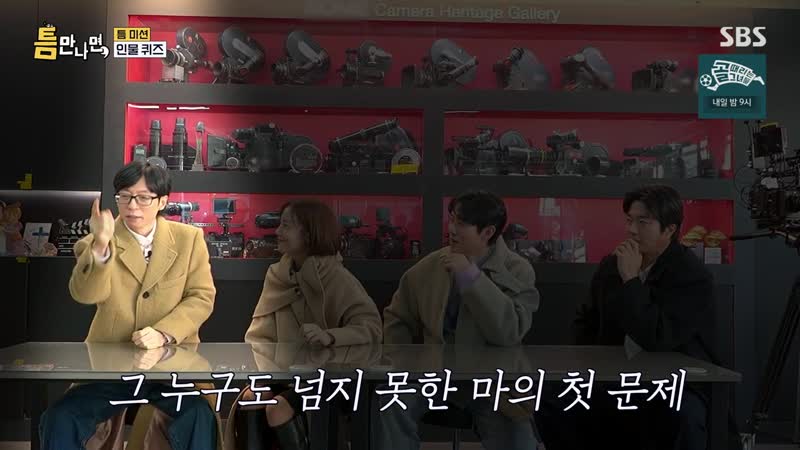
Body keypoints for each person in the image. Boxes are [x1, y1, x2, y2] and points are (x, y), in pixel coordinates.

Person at [39, 160, 219, 450]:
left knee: (198, 414)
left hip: (172, 366)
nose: (132, 205)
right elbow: (85, 294)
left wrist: (163, 333)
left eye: (143, 197)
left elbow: (201, 297)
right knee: (61, 417)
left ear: (162, 201)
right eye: (125, 196)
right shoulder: (95, 242)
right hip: (109, 368)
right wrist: (101, 245)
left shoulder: (189, 239)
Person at [536, 184, 723, 450]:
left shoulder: (691, 275)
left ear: (669, 229)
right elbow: (585, 322)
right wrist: (588, 368)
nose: (632, 230)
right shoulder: (611, 266)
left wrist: (631, 280)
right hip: (615, 376)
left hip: (672, 382)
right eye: (629, 220)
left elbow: (657, 338)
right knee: (552, 399)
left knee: (683, 417)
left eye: (643, 222)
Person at [377, 190, 541, 450]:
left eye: (461, 223)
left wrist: (470, 276)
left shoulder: (517, 269)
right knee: (389, 403)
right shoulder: (429, 267)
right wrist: (402, 366)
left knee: (516, 432)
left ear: (488, 232)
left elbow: (509, 332)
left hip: (492, 382)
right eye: (452, 219)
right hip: (431, 377)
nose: (451, 229)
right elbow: (397, 319)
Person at [223, 199, 383, 450]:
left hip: (329, 378)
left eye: (286, 226)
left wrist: (331, 336)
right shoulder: (277, 275)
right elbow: (258, 336)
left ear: (309, 233)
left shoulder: (336, 277)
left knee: (279, 409)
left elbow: (372, 328)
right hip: (281, 374)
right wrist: (266, 374)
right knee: (252, 397)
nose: (278, 231)